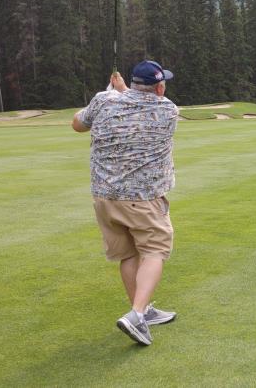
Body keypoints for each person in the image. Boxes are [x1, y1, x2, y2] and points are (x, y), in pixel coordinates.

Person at [72, 60, 179, 346]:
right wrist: (118, 93)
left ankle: (143, 311)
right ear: (159, 87)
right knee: (155, 250)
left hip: (104, 198)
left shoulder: (103, 100)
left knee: (129, 254)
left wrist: (111, 92)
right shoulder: (168, 110)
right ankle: (136, 314)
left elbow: (77, 124)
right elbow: (140, 106)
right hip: (143, 199)